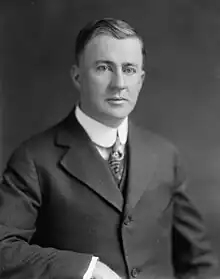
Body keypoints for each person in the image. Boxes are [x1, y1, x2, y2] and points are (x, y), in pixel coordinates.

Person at [0, 18, 218, 279]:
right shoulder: (34, 159)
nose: (119, 84)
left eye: (129, 69)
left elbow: (199, 260)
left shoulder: (165, 155)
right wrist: (86, 269)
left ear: (141, 79)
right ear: (77, 76)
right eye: (103, 68)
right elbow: (4, 248)